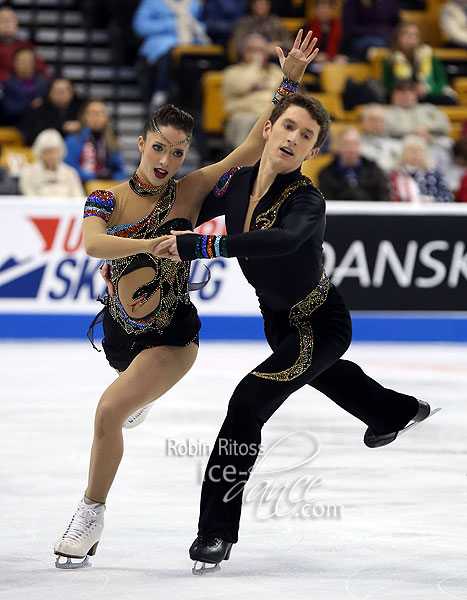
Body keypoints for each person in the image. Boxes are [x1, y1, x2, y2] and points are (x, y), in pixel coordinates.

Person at [53, 30, 320, 569]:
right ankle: (140, 394)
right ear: (141, 143)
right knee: (123, 396)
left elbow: (249, 147)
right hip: (119, 334)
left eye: (177, 152)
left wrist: (288, 80)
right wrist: (152, 243)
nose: (167, 159)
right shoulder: (107, 196)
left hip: (173, 337)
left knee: (107, 412)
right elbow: (91, 243)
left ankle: (90, 512)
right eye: (159, 147)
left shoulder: (190, 190)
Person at [153, 93, 433, 571]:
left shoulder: (307, 199)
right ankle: (396, 412)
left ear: (313, 152)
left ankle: (215, 532)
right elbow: (183, 213)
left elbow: (280, 241)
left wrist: (204, 246)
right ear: (268, 129)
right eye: (288, 127)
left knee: (248, 401)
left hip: (318, 322)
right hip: (278, 322)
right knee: (328, 376)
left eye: (306, 136)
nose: (293, 138)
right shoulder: (234, 185)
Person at [132, 0, 210, 106]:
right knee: (168, 52)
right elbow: (139, 26)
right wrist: (170, 25)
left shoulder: (195, 3)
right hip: (160, 45)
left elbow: (203, 25)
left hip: (191, 45)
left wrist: (196, 26)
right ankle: (160, 92)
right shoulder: (152, 2)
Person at [223, 33, 283, 149]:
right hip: (244, 116)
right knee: (246, 121)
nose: (257, 54)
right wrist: (257, 63)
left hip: (269, 115)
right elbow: (242, 85)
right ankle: (242, 163)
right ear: (243, 52)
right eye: (252, 50)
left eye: (261, 50)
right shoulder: (232, 72)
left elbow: (284, 92)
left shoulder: (275, 71)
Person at [382, 22, 458, 105]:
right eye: (407, 35)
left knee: (447, 100)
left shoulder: (428, 55)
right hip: (402, 97)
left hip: (428, 94)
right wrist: (406, 91)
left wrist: (428, 90)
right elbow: (387, 85)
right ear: (398, 37)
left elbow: (441, 80)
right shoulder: (390, 58)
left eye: (415, 35)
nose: (411, 39)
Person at [318, 126, 390, 200]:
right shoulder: (326, 173)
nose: (351, 149)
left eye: (355, 144)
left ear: (360, 146)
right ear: (339, 147)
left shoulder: (374, 170)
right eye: (346, 144)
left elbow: (384, 200)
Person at [64, 99, 126, 183]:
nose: (97, 117)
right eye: (93, 113)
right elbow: (69, 169)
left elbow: (119, 170)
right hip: (81, 187)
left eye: (101, 113)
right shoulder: (73, 140)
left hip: (106, 187)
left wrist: (113, 178)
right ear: (85, 116)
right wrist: (95, 177)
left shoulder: (111, 140)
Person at [19, 129, 84, 197]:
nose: (52, 156)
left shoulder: (70, 173)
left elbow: (78, 197)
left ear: (61, 152)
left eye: (56, 152)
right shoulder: (28, 173)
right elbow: (29, 198)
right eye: (48, 152)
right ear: (39, 152)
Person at [390, 135, 454, 202]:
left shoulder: (434, 174)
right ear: (403, 153)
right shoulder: (394, 175)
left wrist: (433, 201)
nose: (415, 154)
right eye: (411, 150)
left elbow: (448, 197)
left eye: (419, 150)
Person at [20, 77, 82, 146]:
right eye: (57, 91)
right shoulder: (38, 109)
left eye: (64, 91)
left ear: (72, 93)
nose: (61, 95)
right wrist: (63, 127)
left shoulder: (81, 109)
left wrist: (81, 126)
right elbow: (34, 135)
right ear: (49, 93)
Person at [0, 5, 49, 84]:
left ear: (16, 25)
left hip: (23, 88)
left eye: (9, 21)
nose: (6, 25)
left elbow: (42, 70)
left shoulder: (26, 46)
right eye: (2, 20)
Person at [1, 47, 49, 127]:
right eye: (22, 61)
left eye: (29, 61)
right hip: (14, 125)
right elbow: (9, 109)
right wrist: (30, 105)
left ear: (34, 63)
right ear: (14, 63)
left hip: (40, 126)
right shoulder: (7, 84)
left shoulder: (44, 83)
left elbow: (48, 107)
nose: (26, 64)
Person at [305, 0, 347, 71]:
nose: (324, 12)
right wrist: (314, 57)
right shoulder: (306, 28)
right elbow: (300, 53)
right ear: (315, 10)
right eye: (321, 9)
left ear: (332, 10)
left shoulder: (341, 28)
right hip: (313, 64)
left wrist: (340, 57)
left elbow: (347, 50)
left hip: (335, 63)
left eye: (326, 9)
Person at [360, 103, 401, 172]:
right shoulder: (357, 144)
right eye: (372, 120)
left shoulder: (397, 144)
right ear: (363, 122)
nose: (377, 124)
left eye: (381, 120)